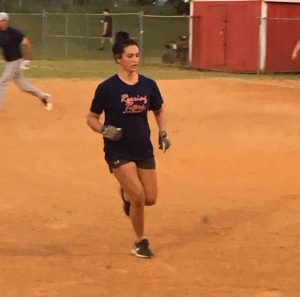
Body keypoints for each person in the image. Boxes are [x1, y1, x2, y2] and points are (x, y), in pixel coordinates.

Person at [87, 31, 171, 259]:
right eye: (130, 56)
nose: (135, 60)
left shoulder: (148, 85)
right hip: (118, 149)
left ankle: (126, 196)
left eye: (137, 55)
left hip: (142, 147)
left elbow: (159, 109)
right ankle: (140, 242)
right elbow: (91, 118)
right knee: (138, 196)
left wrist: (163, 132)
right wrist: (104, 129)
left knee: (150, 197)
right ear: (118, 58)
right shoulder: (107, 88)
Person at [0, 12, 52, 111]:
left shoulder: (14, 33)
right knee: (23, 86)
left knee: (2, 82)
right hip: (9, 62)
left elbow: (27, 43)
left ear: (5, 21)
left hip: (15, 61)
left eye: (0, 21)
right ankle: (43, 96)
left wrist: (28, 59)